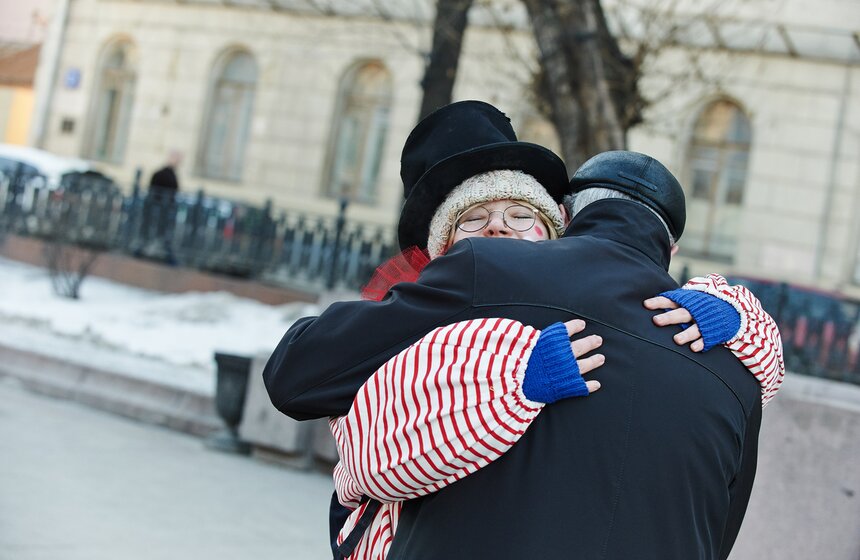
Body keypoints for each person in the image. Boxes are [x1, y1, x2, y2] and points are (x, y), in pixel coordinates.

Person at [264, 101, 782, 558]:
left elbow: (301, 378)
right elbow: (717, 534)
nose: (497, 229)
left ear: (564, 217)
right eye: (474, 221)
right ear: (670, 248)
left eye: (518, 215)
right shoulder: (732, 364)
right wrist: (505, 376)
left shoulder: (490, 276)